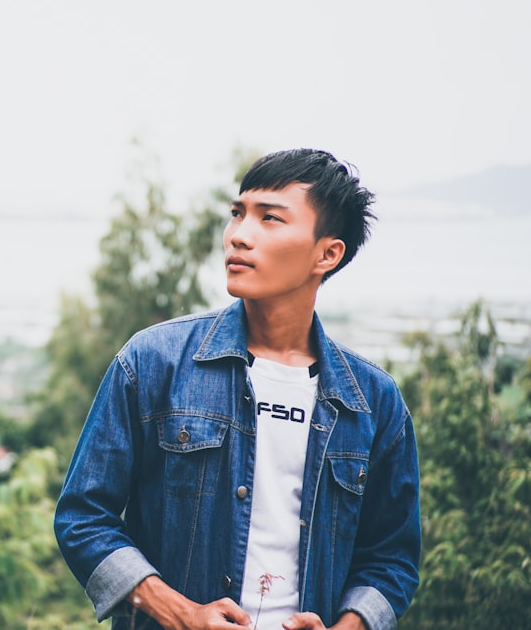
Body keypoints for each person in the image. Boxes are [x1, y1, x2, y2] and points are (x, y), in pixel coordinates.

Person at [53, 148, 421, 630]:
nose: (238, 236)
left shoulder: (373, 402)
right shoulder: (154, 361)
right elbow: (83, 517)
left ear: (327, 253)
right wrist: (182, 613)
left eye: (270, 219)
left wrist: (349, 625)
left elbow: (391, 558)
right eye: (237, 214)